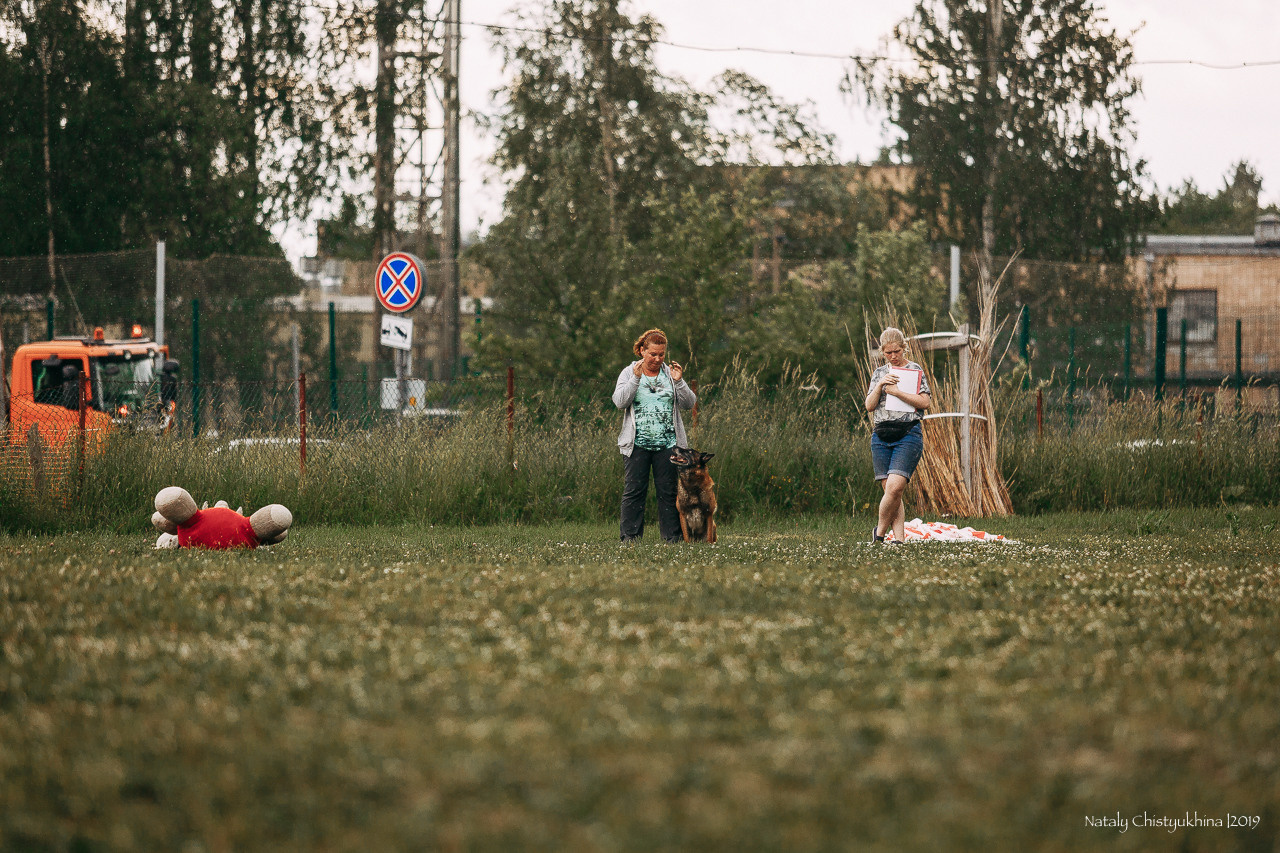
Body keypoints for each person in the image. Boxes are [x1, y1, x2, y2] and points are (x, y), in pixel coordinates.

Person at [613, 328, 697, 543]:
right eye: (653, 354)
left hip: (668, 444)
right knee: (634, 492)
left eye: (661, 354)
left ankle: (672, 538)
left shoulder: (670, 374)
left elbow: (689, 403)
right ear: (642, 351)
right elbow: (620, 402)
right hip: (637, 444)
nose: (658, 359)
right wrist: (635, 379)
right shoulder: (628, 372)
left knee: (668, 493)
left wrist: (679, 381)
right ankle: (630, 538)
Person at [864, 327, 932, 544]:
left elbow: (925, 403)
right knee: (891, 493)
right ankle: (900, 539)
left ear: (904, 348)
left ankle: (880, 535)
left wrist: (898, 392)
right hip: (882, 435)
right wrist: (881, 386)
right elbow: (869, 406)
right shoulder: (878, 373)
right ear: (883, 352)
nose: (893, 356)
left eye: (897, 351)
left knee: (895, 487)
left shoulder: (914, 370)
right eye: (888, 353)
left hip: (908, 432)